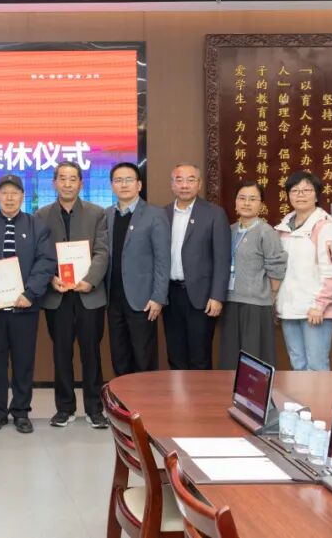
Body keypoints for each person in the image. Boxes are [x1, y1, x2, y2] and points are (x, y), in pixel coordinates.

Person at [0, 174, 57, 434]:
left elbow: (46, 262)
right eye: (4, 193)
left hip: (25, 307)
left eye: (14, 193)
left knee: (23, 362)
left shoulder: (36, 225)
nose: (9, 198)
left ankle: (21, 412)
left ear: (22, 196)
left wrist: (30, 293)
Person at [35, 161, 108, 428]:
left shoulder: (97, 213)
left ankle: (94, 409)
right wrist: (50, 278)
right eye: (62, 179)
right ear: (54, 183)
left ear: (81, 183)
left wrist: (90, 280)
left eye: (73, 179)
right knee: (61, 353)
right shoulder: (41, 215)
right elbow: (39, 254)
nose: (67, 184)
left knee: (91, 353)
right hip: (58, 296)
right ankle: (64, 408)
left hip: (89, 295)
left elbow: (102, 252)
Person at [104, 162, 170, 376]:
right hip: (113, 298)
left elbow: (162, 259)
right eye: (118, 180)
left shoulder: (155, 214)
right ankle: (121, 398)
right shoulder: (106, 215)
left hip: (143, 299)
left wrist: (158, 297)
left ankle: (146, 399)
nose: (123, 185)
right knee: (119, 355)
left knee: (143, 357)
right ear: (112, 186)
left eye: (129, 180)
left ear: (139, 185)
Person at [275, 171, 332, 371]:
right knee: (297, 365)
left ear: (316, 195)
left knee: (316, 366)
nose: (300, 195)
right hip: (289, 309)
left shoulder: (326, 228)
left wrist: (319, 305)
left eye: (306, 190)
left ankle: (320, 396)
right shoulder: (282, 229)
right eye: (295, 190)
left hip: (315, 310)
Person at [163, 163, 231, 369]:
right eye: (179, 180)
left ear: (199, 184)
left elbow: (222, 258)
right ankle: (177, 391)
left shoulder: (214, 214)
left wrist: (217, 296)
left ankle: (201, 392)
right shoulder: (162, 214)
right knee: (175, 354)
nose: (185, 185)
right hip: (170, 295)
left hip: (202, 297)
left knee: (200, 356)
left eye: (191, 180)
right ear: (172, 184)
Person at [218, 181, 288, 369]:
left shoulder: (266, 231)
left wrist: (271, 295)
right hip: (231, 301)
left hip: (256, 304)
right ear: (235, 202)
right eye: (242, 198)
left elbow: (276, 267)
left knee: (253, 360)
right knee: (230, 358)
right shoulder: (230, 230)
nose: (246, 203)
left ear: (261, 204)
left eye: (252, 199)